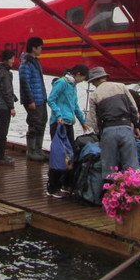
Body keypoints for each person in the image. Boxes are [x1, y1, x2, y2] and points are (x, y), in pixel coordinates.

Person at [84, 66, 140, 178]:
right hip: (126, 127)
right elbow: (133, 108)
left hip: (108, 130)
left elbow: (93, 120)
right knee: (131, 165)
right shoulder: (121, 87)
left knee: (109, 167)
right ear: (104, 77)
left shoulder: (94, 95)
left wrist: (99, 136)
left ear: (95, 80)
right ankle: (133, 190)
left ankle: (110, 191)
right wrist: (136, 126)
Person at [46, 63, 90, 197]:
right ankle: (52, 187)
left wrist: (83, 122)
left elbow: (75, 105)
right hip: (59, 123)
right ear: (77, 74)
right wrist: (58, 115)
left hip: (68, 123)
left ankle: (66, 182)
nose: (82, 80)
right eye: (82, 77)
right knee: (59, 154)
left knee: (70, 153)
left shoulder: (73, 86)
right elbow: (51, 100)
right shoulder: (62, 83)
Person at [18, 37, 48, 161]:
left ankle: (38, 149)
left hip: (40, 98)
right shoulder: (26, 63)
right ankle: (31, 151)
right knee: (34, 125)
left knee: (42, 123)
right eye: (40, 47)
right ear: (34, 48)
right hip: (33, 100)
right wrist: (30, 100)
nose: (41, 49)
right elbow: (24, 82)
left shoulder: (35, 61)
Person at [0, 49, 18, 166]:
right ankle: (1, 157)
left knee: (0, 131)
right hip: (3, 106)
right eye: (12, 58)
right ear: (7, 59)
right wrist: (12, 106)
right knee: (3, 132)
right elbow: (7, 91)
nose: (13, 61)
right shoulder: (6, 73)